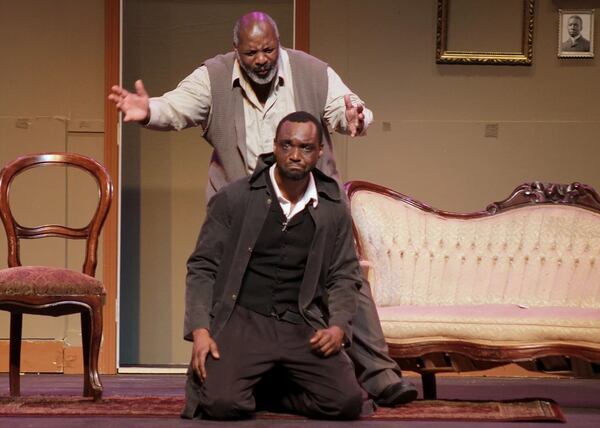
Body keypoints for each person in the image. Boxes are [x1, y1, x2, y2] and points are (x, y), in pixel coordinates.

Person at [109, 11, 417, 406]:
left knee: (344, 275)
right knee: (235, 285)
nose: (261, 59)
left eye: (268, 50)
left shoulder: (311, 72)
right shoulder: (214, 76)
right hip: (247, 205)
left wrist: (357, 118)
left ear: (279, 45)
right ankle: (233, 373)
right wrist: (147, 109)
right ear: (236, 49)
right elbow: (175, 106)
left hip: (308, 199)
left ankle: (380, 375)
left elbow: (346, 108)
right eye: (251, 52)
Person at [182, 112, 364, 420]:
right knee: (221, 404)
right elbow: (202, 266)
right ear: (274, 147)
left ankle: (266, 390)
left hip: (301, 321)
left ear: (320, 151)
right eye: (287, 145)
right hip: (244, 319)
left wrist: (338, 327)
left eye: (306, 148)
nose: (295, 155)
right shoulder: (236, 198)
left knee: (345, 403)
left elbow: (344, 274)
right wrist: (200, 330)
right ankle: (250, 382)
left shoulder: (333, 208)